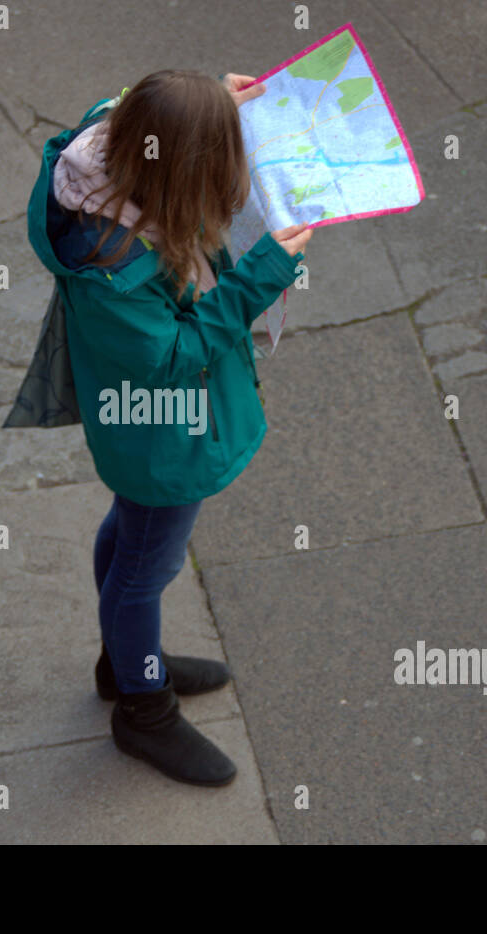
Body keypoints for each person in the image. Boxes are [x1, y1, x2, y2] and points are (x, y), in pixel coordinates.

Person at [19, 69, 312, 787]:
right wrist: (262, 275)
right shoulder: (117, 270)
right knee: (145, 569)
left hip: (144, 429)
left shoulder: (104, 146)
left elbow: (120, 104)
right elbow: (176, 356)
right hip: (162, 436)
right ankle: (142, 710)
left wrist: (208, 103)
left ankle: (126, 662)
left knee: (130, 543)